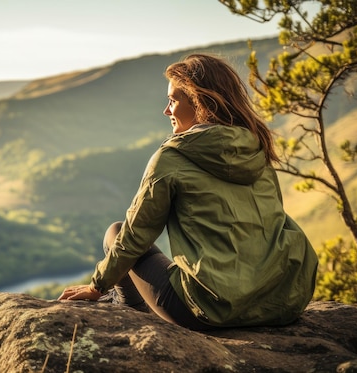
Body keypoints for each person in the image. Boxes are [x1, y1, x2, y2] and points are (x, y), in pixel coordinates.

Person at [57, 53, 318, 330]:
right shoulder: (257, 147)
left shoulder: (172, 157)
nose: (166, 111)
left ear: (199, 101)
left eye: (173, 100)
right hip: (281, 302)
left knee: (116, 232)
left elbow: (135, 235)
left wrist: (97, 285)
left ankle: (131, 312)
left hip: (210, 309)